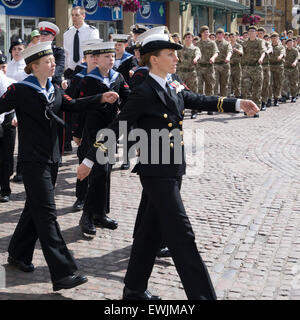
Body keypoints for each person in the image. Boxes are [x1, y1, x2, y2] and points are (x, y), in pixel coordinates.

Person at [77, 28, 259, 300]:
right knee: (183, 236)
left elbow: (198, 99)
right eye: (170, 54)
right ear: (154, 59)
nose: (176, 58)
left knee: (150, 233)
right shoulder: (144, 91)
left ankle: (134, 289)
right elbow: (118, 126)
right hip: (155, 172)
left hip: (174, 167)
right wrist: (90, 159)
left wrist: (237, 103)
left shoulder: (172, 85)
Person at [0, 41, 119, 290]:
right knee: (47, 214)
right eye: (48, 62)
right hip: (33, 161)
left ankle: (18, 253)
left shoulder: (53, 88)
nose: (53, 64)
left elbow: (73, 104)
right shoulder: (19, 90)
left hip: (53, 159)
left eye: (53, 61)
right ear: (34, 66)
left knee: (34, 208)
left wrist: (100, 98)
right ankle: (64, 272)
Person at [77, 41, 130, 235]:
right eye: (107, 57)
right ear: (96, 59)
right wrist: (77, 132)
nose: (111, 60)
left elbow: (128, 98)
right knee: (98, 172)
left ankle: (101, 213)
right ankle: (87, 216)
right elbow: (80, 106)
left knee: (106, 172)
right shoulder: (88, 80)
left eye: (112, 56)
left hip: (111, 131)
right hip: (94, 132)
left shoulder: (118, 77)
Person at [6, 38, 27, 183]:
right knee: (10, 142)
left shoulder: (28, 65)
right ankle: (7, 170)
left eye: (20, 48)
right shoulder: (7, 66)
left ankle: (20, 171)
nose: (17, 51)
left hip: (24, 105)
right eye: (14, 49)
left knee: (24, 141)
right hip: (8, 105)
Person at [63, 6, 99, 79]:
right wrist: (66, 69)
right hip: (70, 71)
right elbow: (66, 53)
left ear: (83, 16)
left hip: (86, 70)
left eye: (77, 15)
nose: (74, 17)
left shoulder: (92, 31)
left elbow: (93, 52)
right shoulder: (67, 33)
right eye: (72, 15)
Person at [0, 57, 16, 203]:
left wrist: (16, 117)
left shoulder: (12, 83)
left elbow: (18, 103)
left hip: (8, 120)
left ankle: (5, 190)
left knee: (7, 156)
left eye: (3, 66)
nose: (1, 70)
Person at [241, 25, 265, 117]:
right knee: (246, 88)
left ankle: (255, 109)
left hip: (257, 68)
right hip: (247, 68)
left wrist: (261, 58)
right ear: (248, 33)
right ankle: (247, 108)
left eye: (253, 31)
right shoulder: (245, 43)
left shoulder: (260, 42)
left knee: (257, 90)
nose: (252, 33)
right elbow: (241, 51)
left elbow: (263, 51)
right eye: (250, 31)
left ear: (256, 33)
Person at [195, 25, 219, 116]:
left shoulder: (212, 43)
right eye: (205, 32)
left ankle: (210, 107)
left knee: (210, 87)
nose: (207, 33)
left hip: (209, 68)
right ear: (201, 33)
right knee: (199, 87)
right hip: (199, 68)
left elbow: (216, 52)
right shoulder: (197, 44)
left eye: (208, 31)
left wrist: (213, 58)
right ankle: (200, 106)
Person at [177, 32, 200, 119]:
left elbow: (198, 54)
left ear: (192, 38)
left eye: (189, 37)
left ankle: (194, 111)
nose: (187, 38)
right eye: (186, 37)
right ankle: (180, 110)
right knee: (179, 91)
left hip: (191, 73)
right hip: (181, 73)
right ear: (184, 39)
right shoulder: (180, 48)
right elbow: (176, 56)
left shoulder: (195, 48)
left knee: (193, 92)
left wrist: (196, 58)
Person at [269, 32, 285, 106]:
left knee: (278, 83)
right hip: (270, 66)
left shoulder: (281, 47)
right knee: (269, 83)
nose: (274, 39)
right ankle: (269, 98)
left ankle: (276, 99)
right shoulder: (269, 46)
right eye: (272, 38)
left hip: (279, 66)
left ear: (278, 38)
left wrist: (280, 56)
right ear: (271, 39)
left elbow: (282, 53)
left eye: (275, 38)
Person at [282, 38, 299, 103]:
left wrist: (295, 62)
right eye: (289, 43)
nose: (290, 44)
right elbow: (282, 56)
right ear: (286, 44)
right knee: (285, 82)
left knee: (293, 83)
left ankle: (293, 96)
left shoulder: (295, 50)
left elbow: (297, 57)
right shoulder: (284, 50)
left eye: (291, 43)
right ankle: (284, 96)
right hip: (286, 69)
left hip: (294, 69)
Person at [229, 32, 243, 98]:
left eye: (233, 37)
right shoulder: (228, 45)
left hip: (237, 66)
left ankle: (238, 97)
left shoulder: (239, 45)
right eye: (231, 37)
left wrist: (236, 50)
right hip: (229, 66)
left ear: (236, 37)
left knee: (237, 82)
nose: (232, 38)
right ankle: (229, 97)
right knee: (229, 82)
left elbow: (241, 53)